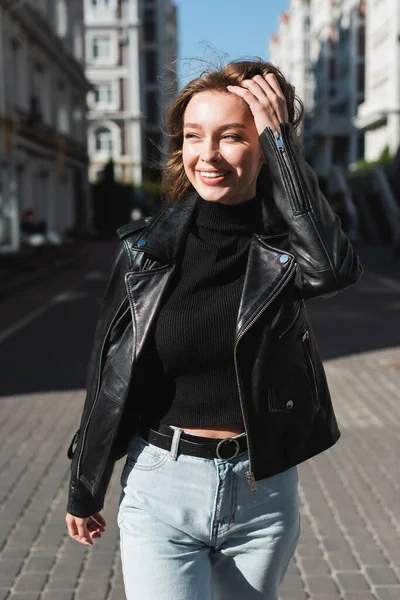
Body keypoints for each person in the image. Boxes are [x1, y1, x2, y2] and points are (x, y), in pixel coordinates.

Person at [65, 59, 362, 599]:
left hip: (261, 493)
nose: (207, 155)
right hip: (161, 484)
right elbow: (108, 370)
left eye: (231, 137)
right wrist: (85, 487)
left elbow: (333, 269)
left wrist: (284, 142)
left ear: (265, 147)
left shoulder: (284, 252)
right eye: (193, 137)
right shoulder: (144, 250)